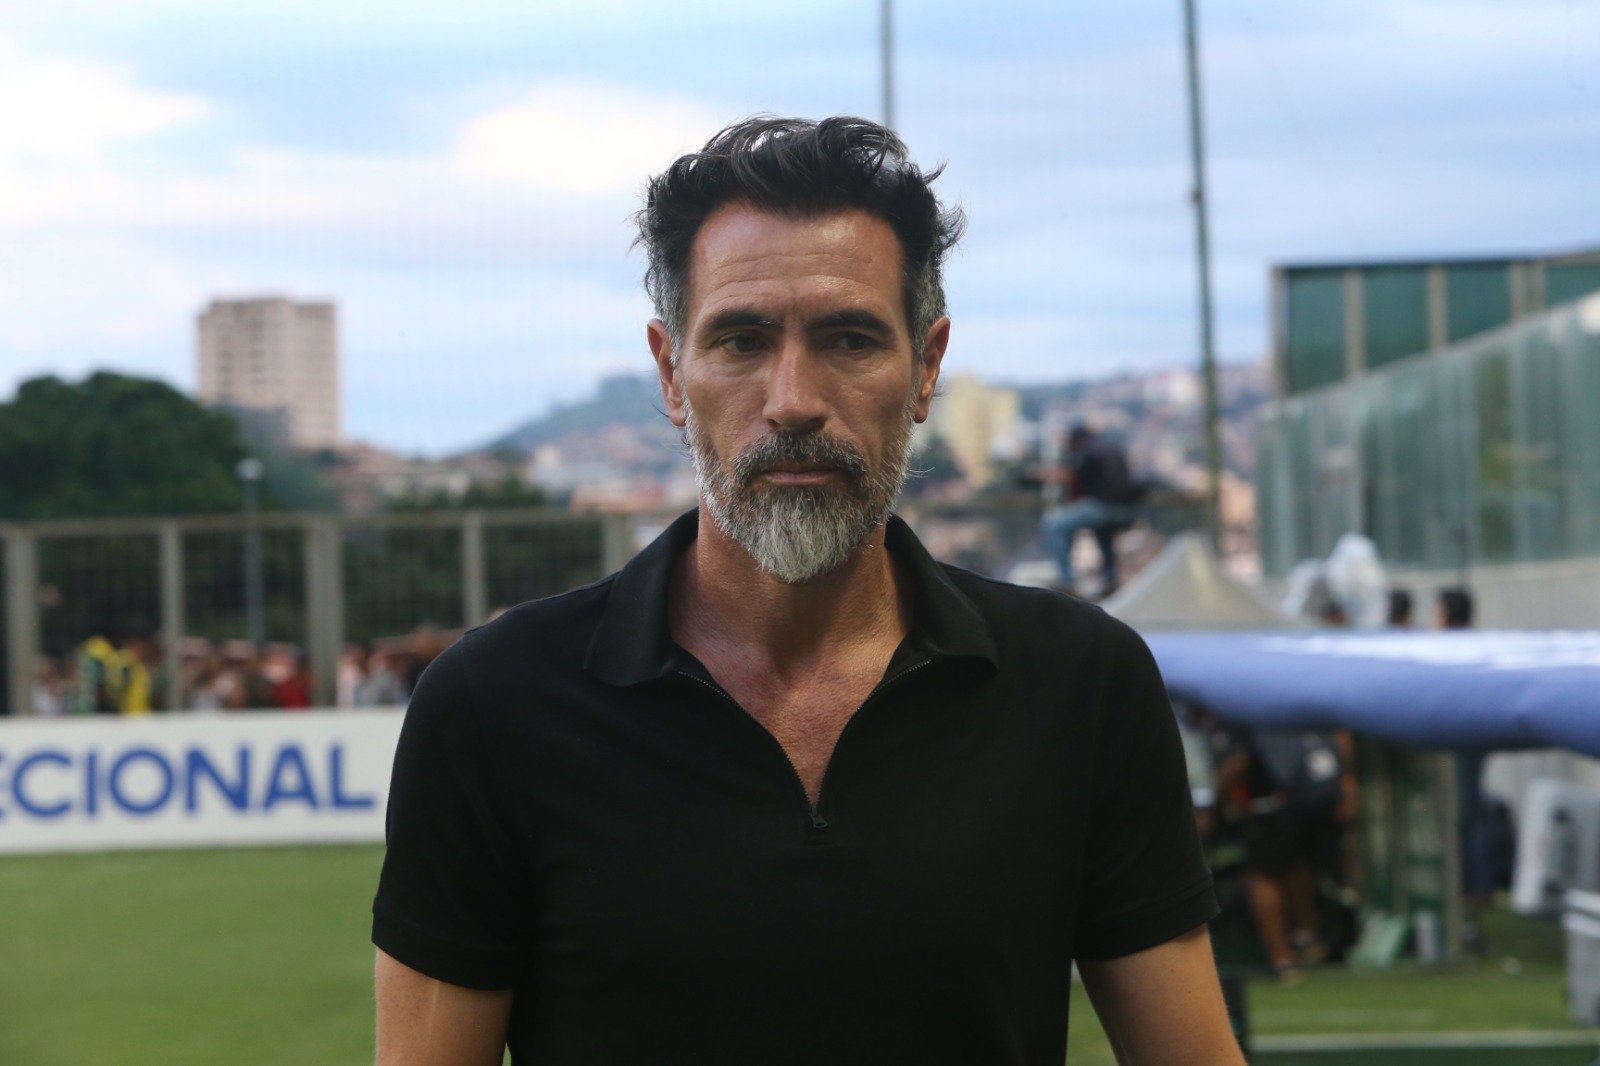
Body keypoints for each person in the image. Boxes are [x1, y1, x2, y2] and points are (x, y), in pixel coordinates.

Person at [373, 116, 1241, 1065]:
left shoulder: (1079, 682)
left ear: (927, 366)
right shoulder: (495, 704)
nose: (792, 397)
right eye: (741, 341)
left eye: (849, 338)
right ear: (671, 372)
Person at [1039, 423, 1142, 593]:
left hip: (1103, 507)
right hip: (1124, 509)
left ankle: (1067, 582)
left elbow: (1073, 479)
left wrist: (1038, 475)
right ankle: (1110, 579)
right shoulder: (1111, 447)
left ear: (1077, 440)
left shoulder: (1088, 450)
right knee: (1103, 531)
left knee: (1053, 525)